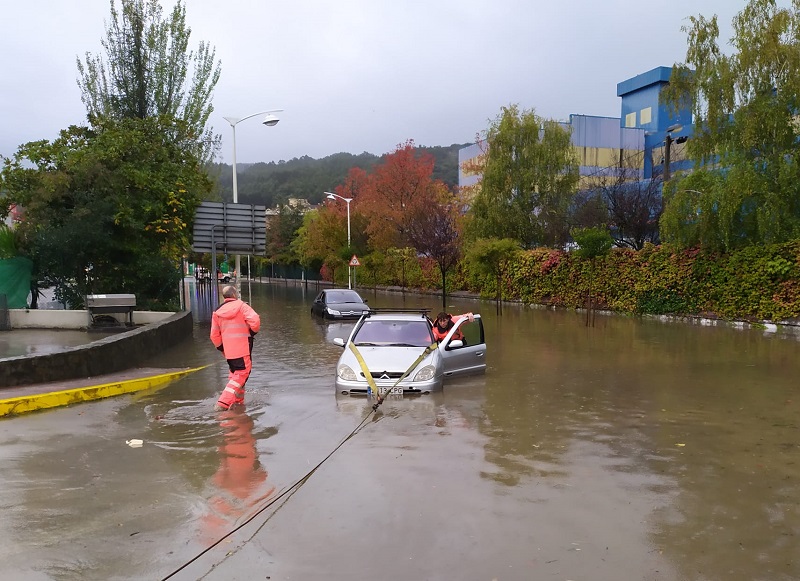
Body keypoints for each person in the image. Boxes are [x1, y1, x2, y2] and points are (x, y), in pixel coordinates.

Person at [210, 285, 261, 411]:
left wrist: (222, 349)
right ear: (234, 295)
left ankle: (238, 404)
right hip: (242, 348)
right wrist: (252, 332)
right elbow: (255, 321)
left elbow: (214, 335)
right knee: (242, 374)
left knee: (235, 375)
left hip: (228, 352)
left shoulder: (217, 311)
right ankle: (223, 403)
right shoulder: (242, 306)